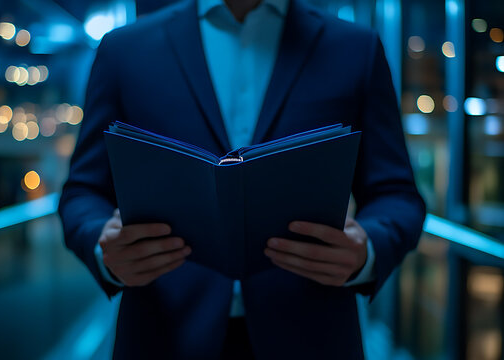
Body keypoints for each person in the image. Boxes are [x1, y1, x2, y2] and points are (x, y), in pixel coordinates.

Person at [58, 0, 426, 358]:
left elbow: (397, 194)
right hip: (163, 332)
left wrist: (366, 252)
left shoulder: (354, 48)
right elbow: (83, 191)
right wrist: (104, 250)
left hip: (313, 334)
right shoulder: (125, 49)